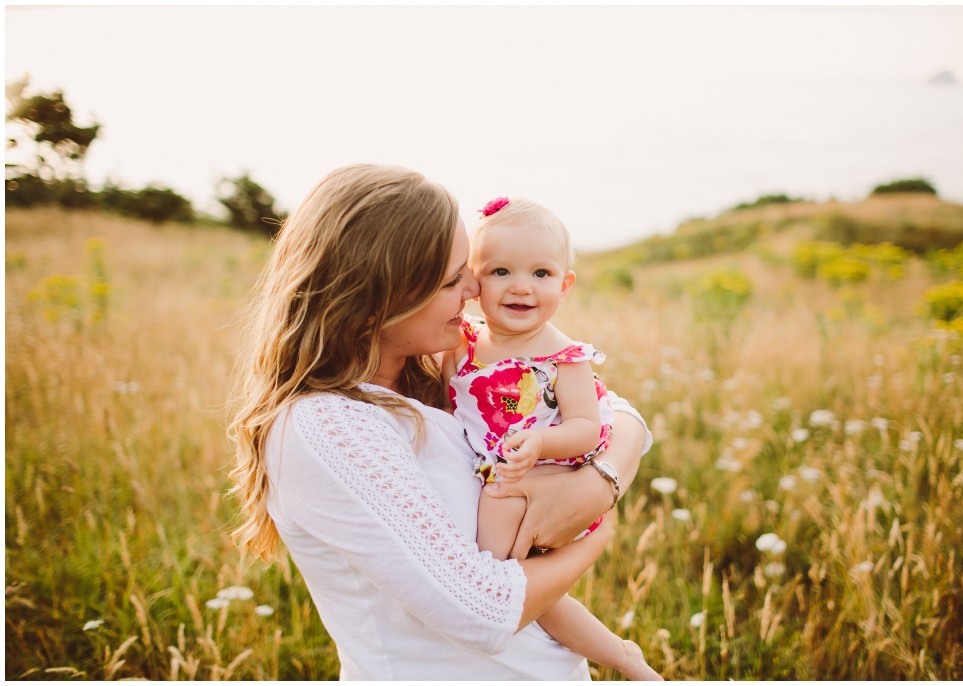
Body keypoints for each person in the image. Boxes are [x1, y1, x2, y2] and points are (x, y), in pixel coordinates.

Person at [228, 164, 654, 680]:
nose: (475, 288)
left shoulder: (436, 362)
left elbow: (619, 413)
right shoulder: (327, 427)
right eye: (454, 278)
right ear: (376, 302)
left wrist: (598, 482)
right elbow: (483, 613)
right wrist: (597, 535)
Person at [444, 196, 661, 681]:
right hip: (502, 471)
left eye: (541, 273)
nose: (522, 286)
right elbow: (449, 406)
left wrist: (541, 443)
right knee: (543, 599)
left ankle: (491, 596)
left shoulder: (565, 358)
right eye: (501, 271)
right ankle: (623, 656)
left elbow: (586, 427)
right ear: (473, 282)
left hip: (546, 480)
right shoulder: (462, 343)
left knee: (507, 579)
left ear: (565, 285)